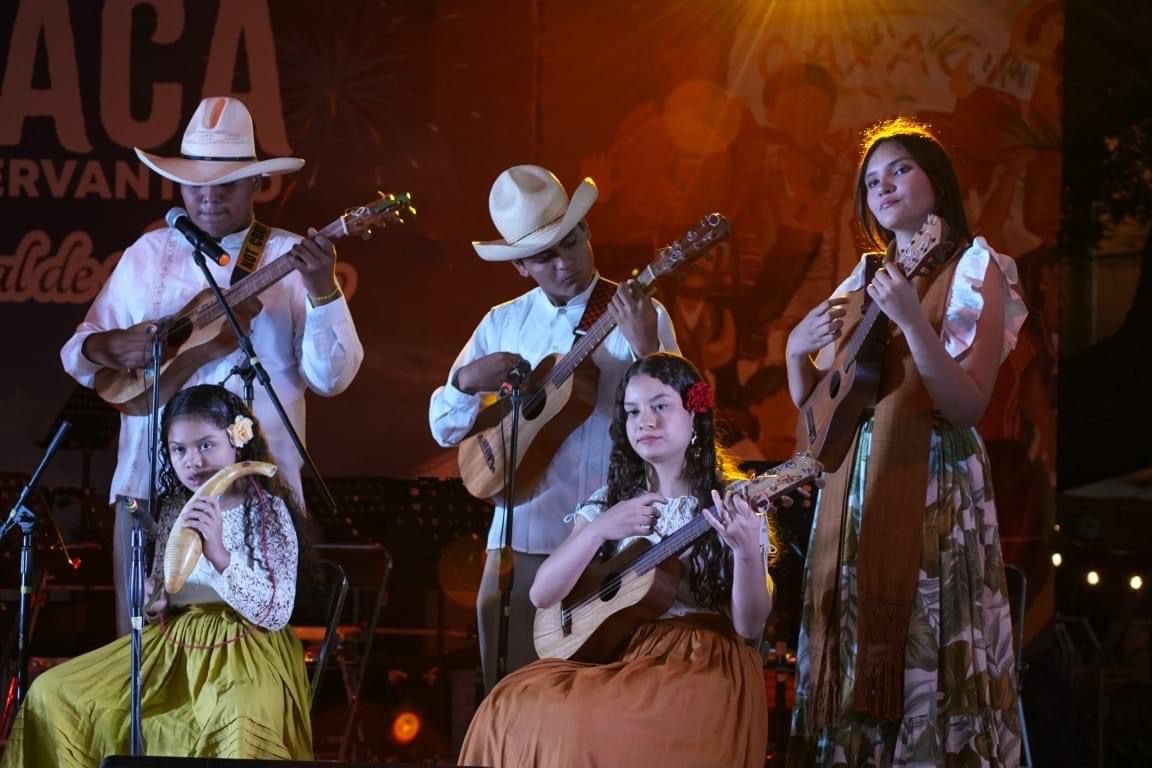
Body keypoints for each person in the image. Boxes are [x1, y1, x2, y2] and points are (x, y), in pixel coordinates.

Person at [60, 96, 364, 636]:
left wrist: (322, 289)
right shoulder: (147, 254)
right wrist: (115, 345)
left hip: (255, 494)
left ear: (258, 184)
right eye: (195, 184)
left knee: (246, 644)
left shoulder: (290, 255)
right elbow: (77, 352)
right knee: (141, 644)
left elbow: (332, 377)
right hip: (148, 486)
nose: (209, 196)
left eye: (227, 184)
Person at [784, 116, 1028, 766]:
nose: (884, 186)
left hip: (931, 480)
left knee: (926, 645)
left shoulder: (978, 266)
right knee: (852, 638)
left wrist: (914, 322)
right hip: (855, 485)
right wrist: (792, 353)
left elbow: (968, 404)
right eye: (871, 181)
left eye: (900, 170)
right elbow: (820, 415)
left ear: (937, 183)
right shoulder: (864, 277)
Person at [457, 352, 776, 768]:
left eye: (660, 406)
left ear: (694, 414)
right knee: (507, 702)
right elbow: (542, 593)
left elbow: (749, 626)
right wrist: (600, 529)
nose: (645, 421)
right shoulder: (610, 500)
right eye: (633, 411)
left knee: (581, 721)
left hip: (701, 661)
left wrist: (746, 550)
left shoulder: (731, 502)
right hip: (626, 655)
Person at [429, 164, 679, 692]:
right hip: (520, 540)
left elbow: (684, 423)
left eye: (570, 242)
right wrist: (466, 380)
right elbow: (444, 430)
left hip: (612, 543)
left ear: (587, 231)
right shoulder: (502, 322)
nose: (564, 262)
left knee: (599, 697)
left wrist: (647, 349)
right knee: (513, 694)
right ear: (520, 266)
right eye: (544, 256)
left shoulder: (641, 312)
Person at [1, 384, 314, 765]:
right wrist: (155, 599)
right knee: (53, 690)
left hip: (247, 646)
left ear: (238, 442)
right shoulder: (175, 509)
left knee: (235, 714)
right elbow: (162, 599)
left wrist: (219, 554)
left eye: (206, 445)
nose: (192, 461)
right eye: (178, 449)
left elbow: (277, 611)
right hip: (175, 646)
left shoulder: (265, 510)